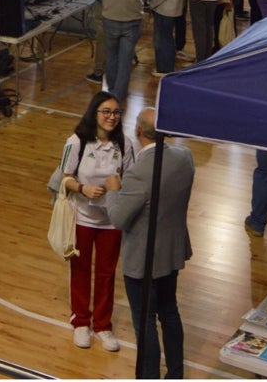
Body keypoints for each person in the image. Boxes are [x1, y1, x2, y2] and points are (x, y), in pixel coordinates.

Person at [106, 107, 195, 380]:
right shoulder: (184, 158)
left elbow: (119, 218)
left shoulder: (138, 173)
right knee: (169, 312)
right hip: (171, 252)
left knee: (144, 324)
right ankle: (175, 374)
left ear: (138, 131)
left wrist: (113, 190)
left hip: (142, 260)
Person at [58, 91, 134, 352]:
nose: (112, 117)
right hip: (82, 218)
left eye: (116, 112)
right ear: (94, 113)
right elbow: (62, 178)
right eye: (106, 111)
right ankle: (80, 321)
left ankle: (103, 325)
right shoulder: (76, 142)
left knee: (106, 273)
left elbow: (132, 178)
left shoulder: (125, 143)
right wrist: (82, 188)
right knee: (80, 270)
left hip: (111, 221)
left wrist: (120, 186)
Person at [99, 0, 149, 103]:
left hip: (110, 16)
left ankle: (111, 90)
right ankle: (118, 96)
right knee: (125, 60)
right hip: (132, 20)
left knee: (111, 55)